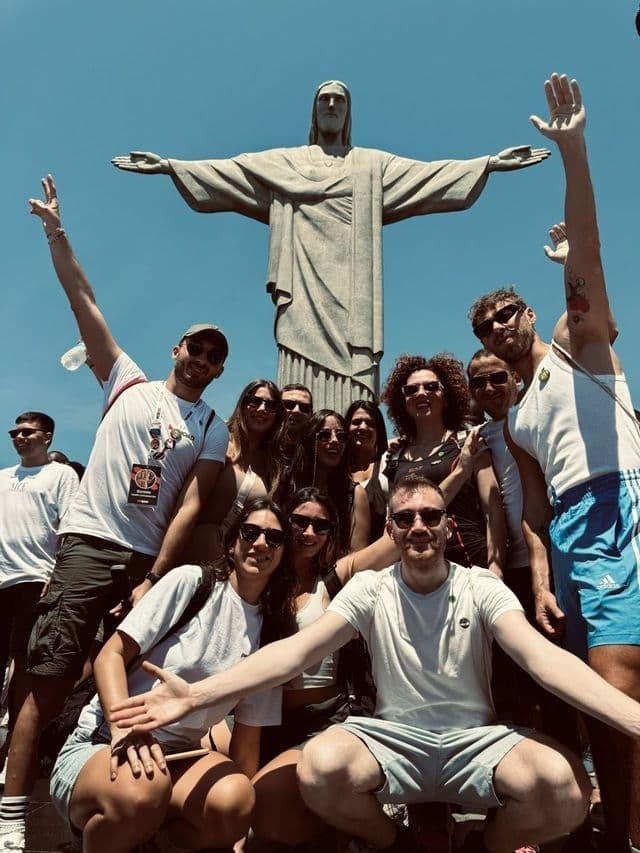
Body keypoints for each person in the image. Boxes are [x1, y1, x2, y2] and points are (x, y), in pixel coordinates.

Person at [110, 472, 640, 853]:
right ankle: (400, 842)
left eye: (430, 516)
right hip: (392, 741)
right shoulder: (368, 587)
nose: (418, 526)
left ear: (444, 523)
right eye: (405, 517)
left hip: (474, 740)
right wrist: (198, 695)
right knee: (319, 770)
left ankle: (483, 844)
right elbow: (294, 652)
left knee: (567, 793)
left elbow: (541, 658)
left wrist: (633, 719)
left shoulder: (480, 585)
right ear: (390, 526)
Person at [0, 175, 229, 853]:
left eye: (216, 354)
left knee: (122, 673)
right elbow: (82, 298)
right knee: (47, 674)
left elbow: (191, 500)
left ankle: (107, 787)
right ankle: (11, 805)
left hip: (146, 558)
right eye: (197, 346)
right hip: (89, 543)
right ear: (176, 350)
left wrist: (158, 571)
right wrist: (56, 232)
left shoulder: (212, 424)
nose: (205, 358)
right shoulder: (125, 377)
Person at [112, 81, 550, 410]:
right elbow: (229, 173)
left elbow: (428, 176)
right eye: (325, 99)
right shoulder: (287, 162)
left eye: (340, 100)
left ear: (349, 113)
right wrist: (172, 166)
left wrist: (487, 164)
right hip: (302, 284)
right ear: (315, 111)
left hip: (353, 291)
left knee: (355, 378)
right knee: (297, 382)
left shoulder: (370, 165)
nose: (333, 105)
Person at [468, 74, 640, 852]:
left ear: (529, 312)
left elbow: (591, 257)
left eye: (507, 312)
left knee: (620, 679)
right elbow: (531, 512)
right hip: (571, 534)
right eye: (484, 323)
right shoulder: (518, 412)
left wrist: (573, 153)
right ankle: (613, 828)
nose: (499, 326)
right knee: (593, 695)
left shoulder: (579, 344)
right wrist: (539, 578)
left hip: (620, 503)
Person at [48, 498, 289, 853]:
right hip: (103, 741)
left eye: (274, 537)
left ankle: (148, 842)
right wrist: (123, 731)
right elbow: (109, 655)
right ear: (232, 542)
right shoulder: (192, 583)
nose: (261, 543)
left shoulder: (269, 635)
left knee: (236, 801)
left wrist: (237, 832)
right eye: (250, 531)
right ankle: (95, 836)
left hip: (179, 757)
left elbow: (247, 739)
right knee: (143, 788)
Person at [252, 487, 397, 846]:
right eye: (300, 521)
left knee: (265, 809)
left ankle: (381, 834)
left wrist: (460, 470)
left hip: (321, 720)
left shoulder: (335, 577)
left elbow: (397, 538)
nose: (309, 533)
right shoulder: (260, 574)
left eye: (321, 525)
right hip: (260, 716)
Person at [0, 414, 79, 776]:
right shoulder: (2, 478)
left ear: (46, 437)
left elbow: (71, 527)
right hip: (1, 581)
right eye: (15, 432)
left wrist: (59, 574)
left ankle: (15, 752)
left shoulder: (61, 475)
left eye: (28, 432)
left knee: (24, 669)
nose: (19, 437)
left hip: (36, 579)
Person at [382, 353, 506, 575]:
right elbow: (391, 524)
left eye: (431, 386)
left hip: (470, 566)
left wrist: (495, 567)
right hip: (416, 575)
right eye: (411, 390)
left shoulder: (468, 442)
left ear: (447, 396)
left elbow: (493, 510)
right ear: (403, 402)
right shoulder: (395, 457)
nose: (421, 393)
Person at [185, 380, 284, 564]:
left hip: (233, 567)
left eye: (271, 405)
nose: (262, 408)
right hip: (190, 557)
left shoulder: (273, 467)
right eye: (255, 401)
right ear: (243, 404)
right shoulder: (219, 441)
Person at [275, 411, 370, 554]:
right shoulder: (285, 482)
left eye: (341, 436)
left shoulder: (356, 494)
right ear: (309, 440)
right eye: (325, 435)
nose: (334, 440)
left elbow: (356, 557)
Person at [345, 399, 389, 541]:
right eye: (356, 422)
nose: (363, 427)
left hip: (386, 547)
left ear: (379, 431)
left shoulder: (389, 461)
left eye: (370, 423)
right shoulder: (338, 468)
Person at [279, 384, 313, 466]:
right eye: (289, 404)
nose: (296, 410)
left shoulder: (317, 454)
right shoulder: (258, 448)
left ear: (311, 414)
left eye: (304, 407)